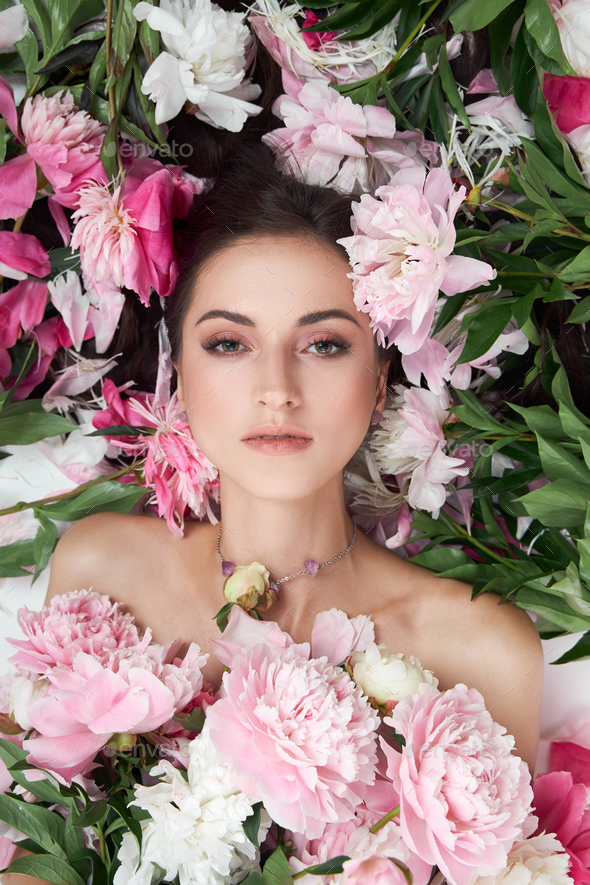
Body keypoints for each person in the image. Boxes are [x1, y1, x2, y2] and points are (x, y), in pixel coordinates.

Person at [3, 145, 543, 885]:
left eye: (323, 344)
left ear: (379, 380)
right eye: (230, 343)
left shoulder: (483, 654)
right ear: (181, 372)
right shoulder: (103, 573)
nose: (276, 388)